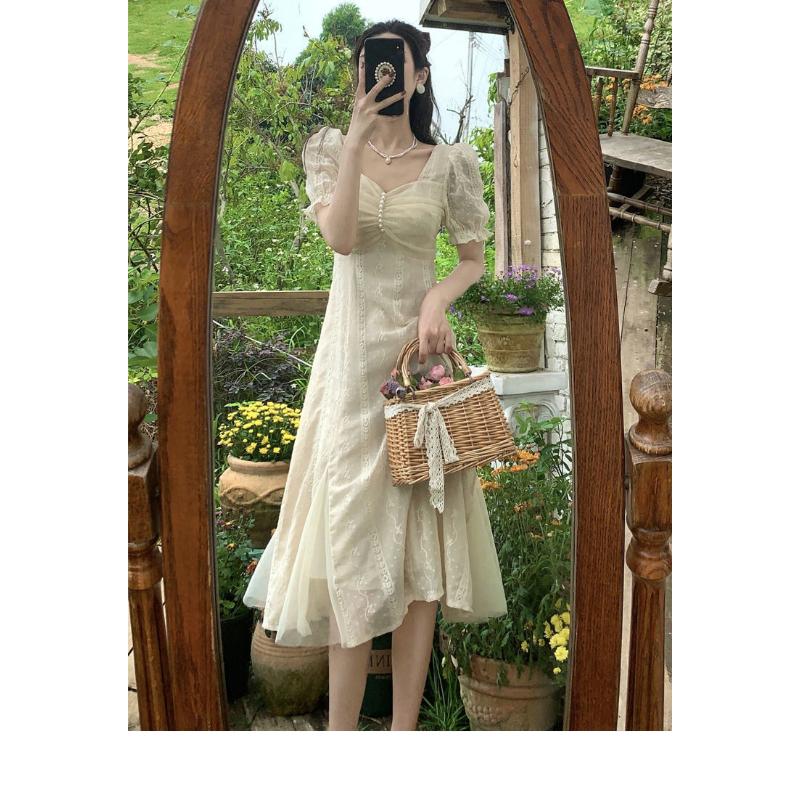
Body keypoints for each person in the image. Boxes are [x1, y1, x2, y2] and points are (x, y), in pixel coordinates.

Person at [243, 20, 507, 731]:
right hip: (349, 370)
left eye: (396, 63)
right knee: (350, 543)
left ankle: (403, 734)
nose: (383, 74)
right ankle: (340, 735)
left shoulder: (450, 163)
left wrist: (437, 298)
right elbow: (341, 239)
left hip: (417, 369)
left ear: (420, 75)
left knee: (422, 554)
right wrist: (357, 139)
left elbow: (472, 260)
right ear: (360, 75)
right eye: (370, 64)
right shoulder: (334, 151)